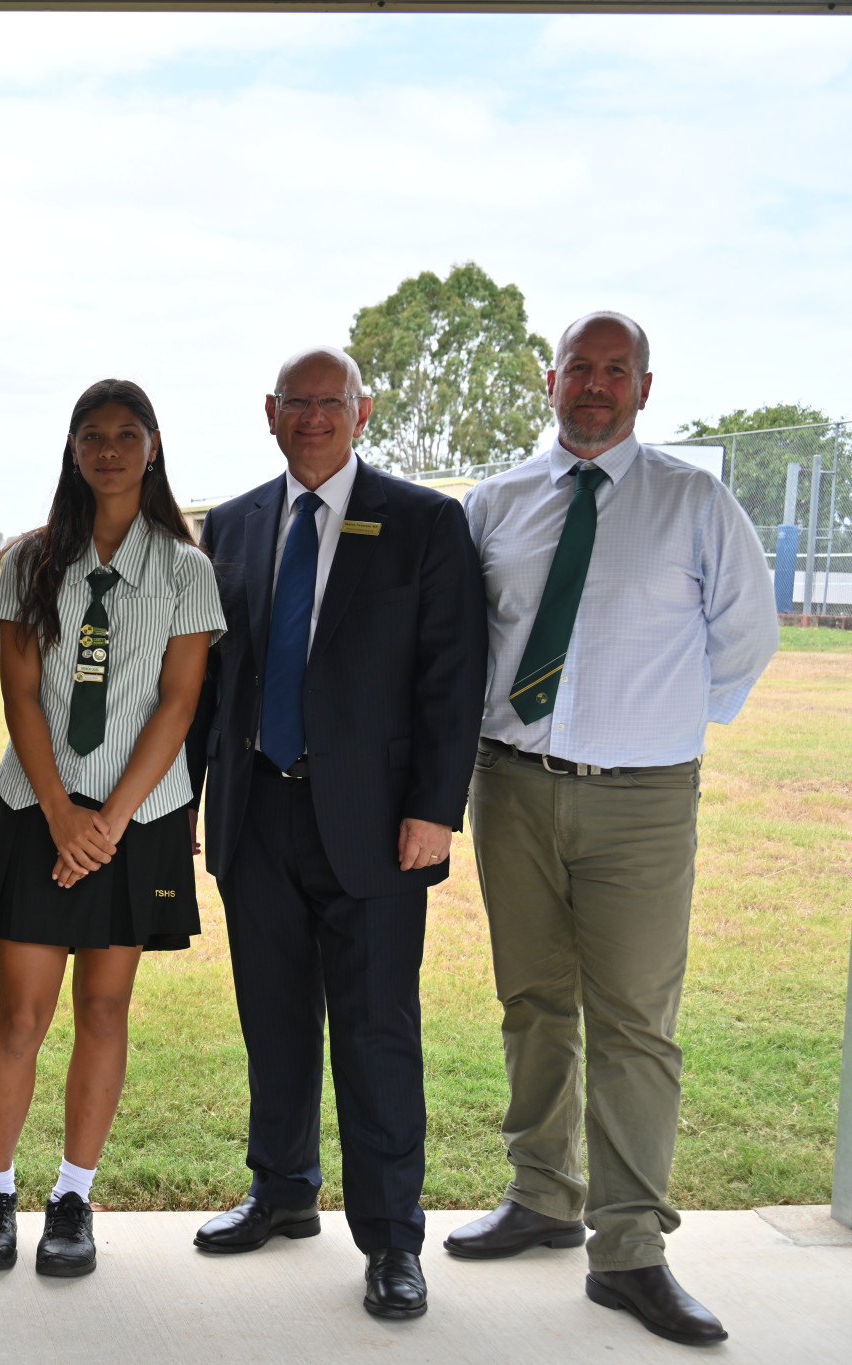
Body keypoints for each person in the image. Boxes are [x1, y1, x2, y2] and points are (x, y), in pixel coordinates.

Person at [446, 313, 777, 1346]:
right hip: (511, 789)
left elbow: (743, 639)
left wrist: (655, 726)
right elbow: (460, 650)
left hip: (640, 802)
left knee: (634, 1020)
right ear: (549, 381)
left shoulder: (692, 501)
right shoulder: (493, 505)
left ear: (643, 384)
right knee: (532, 1000)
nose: (593, 385)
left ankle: (628, 1247)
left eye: (613, 370)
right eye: (577, 369)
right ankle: (541, 1194)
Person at [188, 345, 486, 1319]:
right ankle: (280, 1192)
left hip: (374, 829)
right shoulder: (227, 527)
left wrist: (436, 809)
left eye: (332, 403)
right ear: (268, 413)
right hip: (255, 813)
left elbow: (452, 678)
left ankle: (393, 1238)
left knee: (373, 1032)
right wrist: (187, 803)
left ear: (362, 412)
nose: (313, 418)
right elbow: (205, 682)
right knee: (271, 1019)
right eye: (297, 403)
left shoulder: (424, 524)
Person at [0, 380, 224, 1279]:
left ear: (152, 446)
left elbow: (181, 701)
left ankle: (73, 1195)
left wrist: (107, 821)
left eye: (125, 434)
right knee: (20, 1013)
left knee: (105, 1008)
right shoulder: (32, 561)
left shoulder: (187, 569)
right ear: (73, 450)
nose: (108, 449)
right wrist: (66, 814)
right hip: (40, 810)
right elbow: (20, 693)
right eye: (92, 435)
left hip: (137, 820)